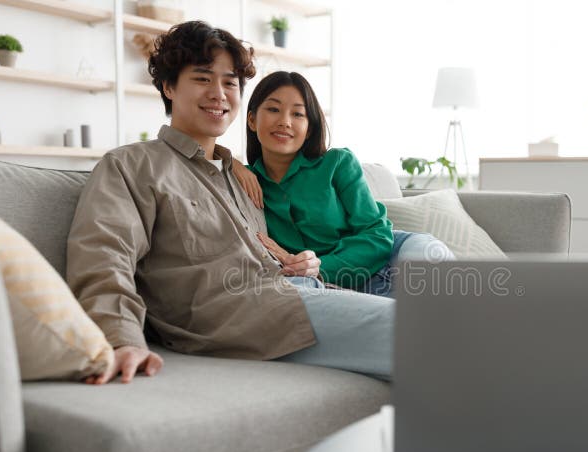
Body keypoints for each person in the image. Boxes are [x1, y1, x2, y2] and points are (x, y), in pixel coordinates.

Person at [66, 21, 392, 384]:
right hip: (239, 314)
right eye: (203, 78)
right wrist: (119, 338)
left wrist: (301, 262)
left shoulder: (241, 178)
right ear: (169, 86)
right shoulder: (131, 165)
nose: (219, 93)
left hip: (294, 294)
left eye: (230, 83)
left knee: (441, 321)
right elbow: (103, 256)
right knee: (423, 331)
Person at [234, 71, 453, 297]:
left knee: (429, 255)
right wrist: (229, 160)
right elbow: (202, 160)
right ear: (251, 120)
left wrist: (321, 266)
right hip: (321, 287)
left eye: (298, 114)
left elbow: (377, 234)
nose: (285, 122)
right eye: (273, 109)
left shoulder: (337, 163)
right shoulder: (241, 182)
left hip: (386, 259)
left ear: (309, 129)